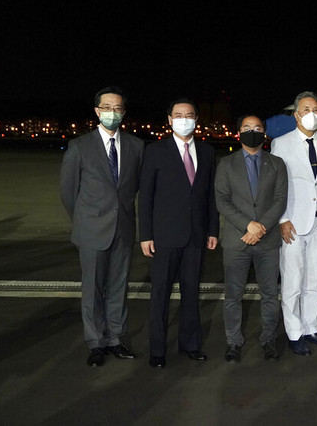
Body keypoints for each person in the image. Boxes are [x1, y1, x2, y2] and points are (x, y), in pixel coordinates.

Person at [60, 86, 144, 367]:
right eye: (106, 107)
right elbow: (68, 192)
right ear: (97, 111)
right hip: (92, 230)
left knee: (119, 287)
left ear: (124, 112)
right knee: (93, 289)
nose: (112, 112)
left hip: (123, 229)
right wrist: (85, 221)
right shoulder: (79, 146)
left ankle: (116, 339)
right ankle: (96, 342)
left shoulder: (136, 146)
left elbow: (134, 187)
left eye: (117, 108)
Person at [139, 98, 219, 368]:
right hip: (164, 236)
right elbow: (145, 197)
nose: (185, 119)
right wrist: (145, 235)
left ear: (196, 119)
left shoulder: (207, 152)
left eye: (190, 115)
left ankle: (190, 344)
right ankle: (157, 350)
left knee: (191, 293)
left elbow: (209, 196)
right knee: (160, 295)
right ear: (170, 120)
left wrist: (212, 229)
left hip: (196, 236)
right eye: (179, 115)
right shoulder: (155, 151)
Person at [215, 115, 288, 362]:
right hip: (237, 240)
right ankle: (233, 342)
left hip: (267, 241)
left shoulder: (276, 163)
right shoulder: (226, 164)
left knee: (270, 294)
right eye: (247, 128)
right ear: (239, 133)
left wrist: (260, 228)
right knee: (233, 296)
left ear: (264, 133)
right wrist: (248, 225)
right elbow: (222, 200)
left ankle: (268, 340)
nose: (252, 131)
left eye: (257, 128)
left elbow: (280, 200)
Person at [270, 91, 317, 356]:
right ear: (296, 115)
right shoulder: (281, 144)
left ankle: (311, 327)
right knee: (292, 281)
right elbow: (277, 185)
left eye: (316, 110)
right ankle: (294, 332)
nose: (312, 114)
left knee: (314, 280)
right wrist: (282, 219)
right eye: (307, 109)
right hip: (293, 223)